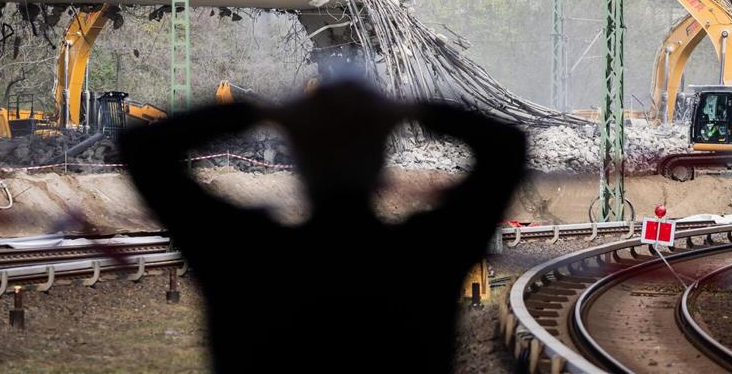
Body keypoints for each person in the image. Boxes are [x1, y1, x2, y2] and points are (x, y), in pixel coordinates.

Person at [118, 80, 527, 373]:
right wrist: (406, 108)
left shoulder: (244, 254)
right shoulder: (425, 255)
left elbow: (144, 149)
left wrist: (266, 111)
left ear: (298, 156)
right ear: (379, 159)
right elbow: (507, 147)